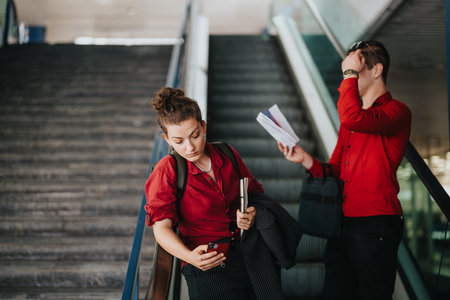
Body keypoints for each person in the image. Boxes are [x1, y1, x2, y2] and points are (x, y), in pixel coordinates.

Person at [278, 40, 411, 299]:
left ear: (376, 70)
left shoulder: (397, 111)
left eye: (354, 70)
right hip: (342, 224)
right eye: (347, 71)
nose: (347, 78)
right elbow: (338, 170)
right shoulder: (352, 121)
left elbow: (353, 117)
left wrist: (348, 73)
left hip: (377, 225)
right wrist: (307, 160)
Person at [145, 87, 300, 300]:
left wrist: (249, 214)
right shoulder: (168, 170)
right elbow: (161, 229)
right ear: (167, 140)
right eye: (179, 141)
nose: (190, 147)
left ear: (203, 126)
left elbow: (255, 193)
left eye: (195, 135)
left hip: (252, 256)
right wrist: (189, 257)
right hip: (206, 265)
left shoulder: (226, 153)